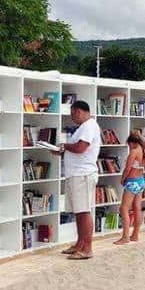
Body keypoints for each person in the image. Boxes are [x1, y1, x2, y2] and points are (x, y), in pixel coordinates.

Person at [54, 100, 100, 260]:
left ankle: (87, 248)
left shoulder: (89, 126)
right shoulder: (83, 127)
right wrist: (62, 151)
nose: (72, 118)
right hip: (76, 174)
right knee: (79, 212)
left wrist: (65, 147)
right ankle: (80, 244)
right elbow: (77, 148)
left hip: (83, 174)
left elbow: (81, 148)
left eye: (73, 114)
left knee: (83, 211)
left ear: (79, 111)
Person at [114, 134, 145, 245]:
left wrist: (122, 179)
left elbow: (127, 168)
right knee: (137, 209)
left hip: (132, 182)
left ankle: (125, 237)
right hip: (140, 181)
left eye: (129, 144)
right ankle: (135, 235)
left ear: (132, 142)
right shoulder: (143, 151)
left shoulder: (133, 152)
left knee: (123, 208)